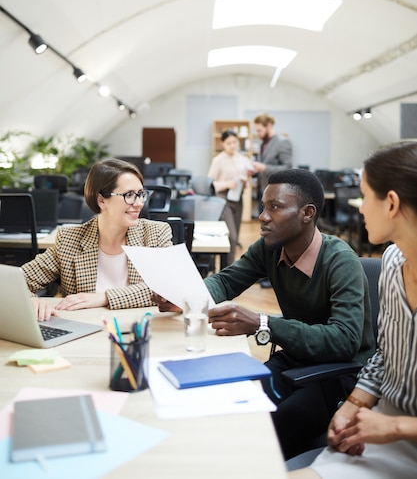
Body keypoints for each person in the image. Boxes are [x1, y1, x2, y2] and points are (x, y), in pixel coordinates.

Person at [154, 168, 374, 460]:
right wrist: (186, 297)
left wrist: (262, 323)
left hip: (340, 375)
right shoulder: (270, 248)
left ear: (307, 213)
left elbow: (344, 341)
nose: (263, 216)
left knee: (265, 432)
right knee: (230, 404)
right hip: (296, 360)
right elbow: (226, 280)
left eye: (275, 207)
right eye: (263, 207)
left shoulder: (340, 261)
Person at [289, 141, 417, 479]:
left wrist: (397, 427)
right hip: (378, 431)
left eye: (364, 196)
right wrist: (353, 405)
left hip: (395, 432)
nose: (359, 208)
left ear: (391, 203)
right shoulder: (392, 262)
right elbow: (386, 355)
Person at [24, 158, 172, 321]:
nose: (139, 203)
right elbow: (17, 282)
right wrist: (32, 301)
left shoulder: (156, 233)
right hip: (84, 332)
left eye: (141, 194)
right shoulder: (69, 240)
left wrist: (104, 297)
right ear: (101, 200)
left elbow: (167, 287)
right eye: (129, 195)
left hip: (140, 330)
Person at [208, 129, 254, 264]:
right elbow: (210, 184)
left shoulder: (242, 159)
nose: (232, 145)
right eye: (229, 143)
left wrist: (246, 181)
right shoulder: (218, 160)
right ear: (223, 143)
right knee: (231, 237)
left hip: (238, 199)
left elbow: (248, 181)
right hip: (223, 200)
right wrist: (227, 183)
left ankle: (228, 269)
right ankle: (226, 271)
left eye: (235, 142)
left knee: (235, 238)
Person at [251, 113, 293, 209]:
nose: (257, 134)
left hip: (275, 195)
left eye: (259, 130)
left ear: (269, 125)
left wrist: (265, 167)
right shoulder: (263, 144)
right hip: (262, 192)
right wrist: (254, 171)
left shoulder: (282, 142)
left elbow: (287, 168)